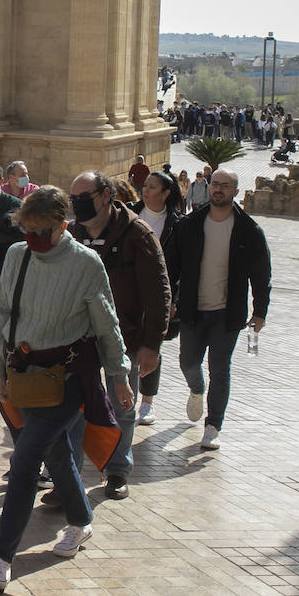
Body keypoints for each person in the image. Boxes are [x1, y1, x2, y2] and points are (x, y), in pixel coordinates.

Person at [0, 186, 131, 591]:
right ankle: (81, 522)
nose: (35, 239)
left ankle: (0, 556)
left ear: (64, 226)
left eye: (43, 231)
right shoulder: (17, 255)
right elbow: (2, 314)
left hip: (68, 380)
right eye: (27, 229)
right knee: (58, 455)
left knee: (27, 459)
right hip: (25, 377)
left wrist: (119, 375)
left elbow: (106, 324)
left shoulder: (86, 264)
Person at [62, 171, 170, 500]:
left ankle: (117, 471)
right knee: (72, 406)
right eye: (74, 200)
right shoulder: (74, 234)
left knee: (122, 406)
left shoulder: (136, 233)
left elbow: (158, 291)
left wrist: (152, 345)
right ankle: (69, 473)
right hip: (79, 339)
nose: (79, 206)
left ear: (106, 196)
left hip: (125, 338)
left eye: (85, 199)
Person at [166, 169, 272, 451]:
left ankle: (213, 426)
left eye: (225, 186)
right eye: (215, 184)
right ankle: (196, 389)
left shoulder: (249, 230)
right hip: (192, 309)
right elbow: (171, 266)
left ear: (236, 191)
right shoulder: (189, 225)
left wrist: (259, 312)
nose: (219, 190)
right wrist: (170, 299)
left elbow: (261, 276)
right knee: (188, 362)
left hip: (227, 313)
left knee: (220, 369)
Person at [133, 171, 184, 425]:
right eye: (145, 186)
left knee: (151, 345)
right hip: (128, 292)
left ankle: (147, 401)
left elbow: (182, 266)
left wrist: (173, 298)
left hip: (158, 295)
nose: (146, 191)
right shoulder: (129, 214)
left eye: (152, 187)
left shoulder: (178, 224)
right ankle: (124, 396)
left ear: (165, 193)